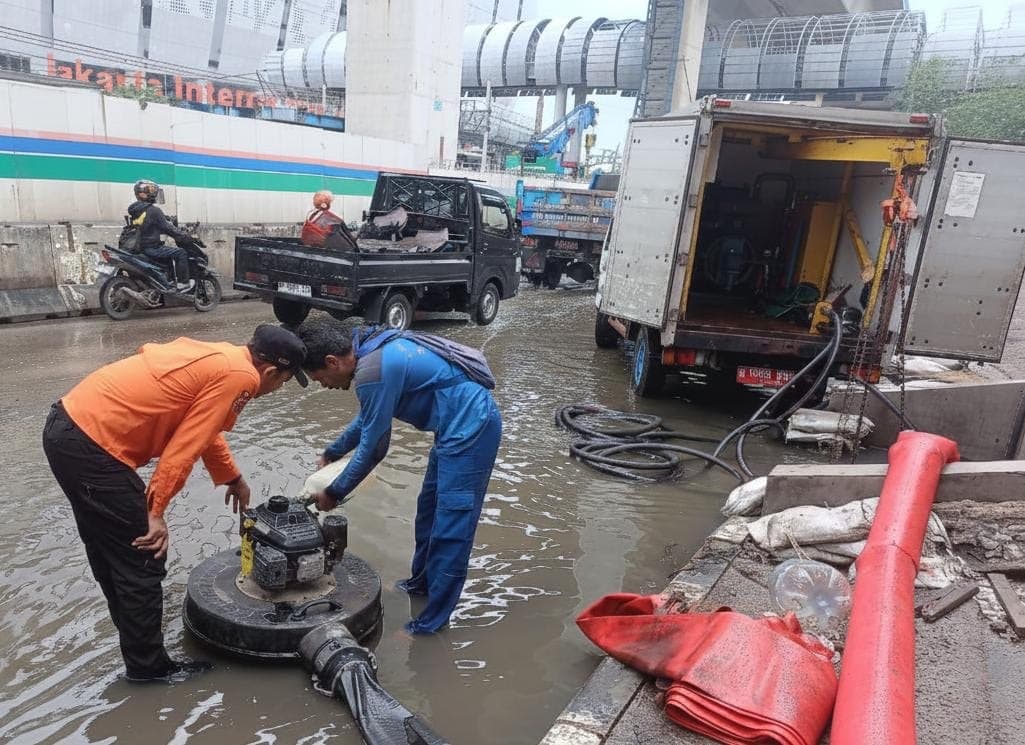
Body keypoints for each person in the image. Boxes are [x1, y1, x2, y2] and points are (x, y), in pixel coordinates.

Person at [42, 325, 308, 683]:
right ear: (272, 372)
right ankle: (148, 669)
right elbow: (184, 447)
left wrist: (232, 477)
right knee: (145, 554)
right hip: (94, 446)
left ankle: (135, 638)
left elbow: (201, 428)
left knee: (111, 548)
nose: (276, 390)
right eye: (283, 382)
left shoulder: (225, 356)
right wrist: (155, 512)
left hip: (67, 426)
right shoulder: (242, 377)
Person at [295, 317, 502, 634]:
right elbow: (369, 419)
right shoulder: (371, 352)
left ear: (331, 361)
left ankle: (431, 623)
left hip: (471, 428)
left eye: (318, 376)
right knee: (428, 513)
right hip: (452, 429)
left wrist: (334, 493)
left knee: (451, 527)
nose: (322, 383)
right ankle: (420, 585)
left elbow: (375, 447)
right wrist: (332, 452)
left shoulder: (372, 370)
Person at [128, 179, 195, 291]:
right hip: (151, 247)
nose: (152, 193)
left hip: (139, 247)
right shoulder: (154, 210)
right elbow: (167, 228)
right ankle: (183, 283)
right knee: (181, 253)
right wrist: (183, 235)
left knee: (167, 256)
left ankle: (167, 282)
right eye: (150, 190)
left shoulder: (135, 210)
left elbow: (148, 226)